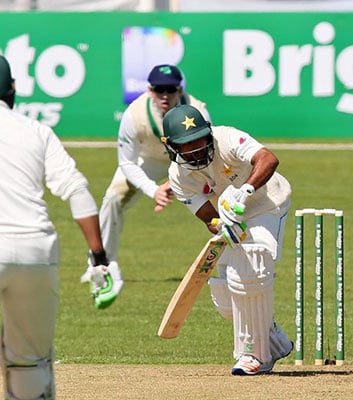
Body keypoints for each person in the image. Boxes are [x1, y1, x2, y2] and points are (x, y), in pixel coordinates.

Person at [0, 55, 123, 398]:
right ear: (11, 89)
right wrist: (99, 257)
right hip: (35, 251)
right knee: (29, 362)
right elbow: (78, 191)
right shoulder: (35, 130)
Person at [161, 104, 293, 375]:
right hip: (231, 216)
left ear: (209, 135)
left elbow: (268, 158)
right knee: (226, 297)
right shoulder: (178, 176)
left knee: (251, 267)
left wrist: (244, 191)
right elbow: (208, 217)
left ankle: (254, 356)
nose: (196, 151)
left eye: (200, 142)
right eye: (187, 146)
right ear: (172, 146)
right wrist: (223, 224)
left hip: (268, 203)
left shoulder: (229, 138)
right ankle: (273, 337)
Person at [83, 64, 211, 285]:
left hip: (187, 161)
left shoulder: (197, 110)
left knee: (218, 199)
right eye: (159, 89)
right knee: (113, 198)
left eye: (170, 90)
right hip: (148, 160)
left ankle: (232, 264)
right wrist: (154, 190)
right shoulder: (134, 114)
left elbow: (207, 152)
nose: (165, 95)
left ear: (179, 90)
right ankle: (100, 266)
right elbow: (126, 162)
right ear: (149, 90)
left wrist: (176, 180)